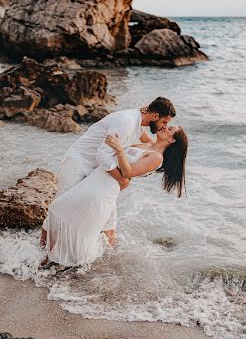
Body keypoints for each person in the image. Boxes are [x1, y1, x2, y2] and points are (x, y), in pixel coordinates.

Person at [39, 124, 188, 269]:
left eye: (169, 129)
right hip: (96, 178)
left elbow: (128, 172)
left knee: (60, 209)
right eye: (166, 124)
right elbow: (137, 122)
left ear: (172, 140)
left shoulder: (156, 158)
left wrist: (119, 149)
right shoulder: (148, 143)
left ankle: (63, 259)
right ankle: (64, 258)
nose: (164, 127)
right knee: (95, 224)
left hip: (104, 187)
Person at [39, 97, 177, 253]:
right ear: (155, 116)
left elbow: (151, 147)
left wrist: (167, 148)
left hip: (100, 175)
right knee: (60, 211)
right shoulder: (127, 121)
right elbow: (103, 155)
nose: (164, 126)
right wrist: (122, 179)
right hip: (79, 164)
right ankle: (44, 252)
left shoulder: (137, 124)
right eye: (164, 122)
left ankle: (109, 261)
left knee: (108, 222)